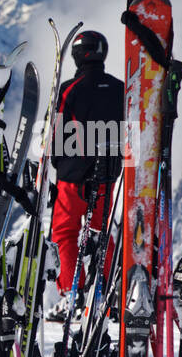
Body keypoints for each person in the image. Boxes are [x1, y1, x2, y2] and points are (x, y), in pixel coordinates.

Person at [48, 30, 125, 317]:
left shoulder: (69, 89)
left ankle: (73, 294)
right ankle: (107, 291)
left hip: (73, 177)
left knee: (66, 233)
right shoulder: (119, 89)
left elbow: (57, 136)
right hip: (107, 176)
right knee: (101, 231)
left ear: (78, 54)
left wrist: (58, 164)